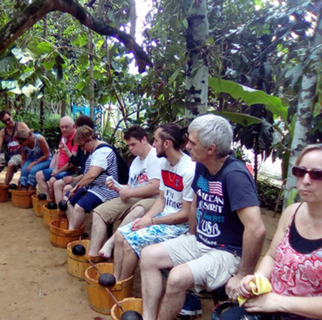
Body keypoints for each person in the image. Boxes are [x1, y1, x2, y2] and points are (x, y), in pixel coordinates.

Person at [140, 114, 266, 320]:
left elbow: (256, 229)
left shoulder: (235, 176)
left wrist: (243, 275)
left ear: (211, 149)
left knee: (177, 277)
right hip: (200, 241)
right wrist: (192, 234)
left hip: (227, 252)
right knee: (148, 256)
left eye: (192, 142)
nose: (187, 145)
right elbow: (197, 200)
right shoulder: (201, 165)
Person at [219, 145, 322, 320]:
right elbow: (272, 256)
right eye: (300, 171)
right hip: (270, 305)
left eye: (317, 174)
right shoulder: (292, 212)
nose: (305, 180)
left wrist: (279, 302)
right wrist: (258, 278)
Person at [112, 123, 195, 281]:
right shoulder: (164, 164)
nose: (154, 144)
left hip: (179, 225)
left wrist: (152, 221)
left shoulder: (189, 170)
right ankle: (116, 279)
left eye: (156, 140)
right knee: (120, 234)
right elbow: (162, 200)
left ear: (167, 143)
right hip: (163, 218)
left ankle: (121, 286)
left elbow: (186, 214)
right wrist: (146, 219)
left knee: (130, 241)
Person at [87, 125, 161, 258]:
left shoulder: (155, 157)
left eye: (133, 144)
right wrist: (117, 187)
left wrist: (129, 192)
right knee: (99, 212)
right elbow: (131, 186)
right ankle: (92, 255)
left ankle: (111, 242)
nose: (131, 148)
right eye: (129, 145)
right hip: (135, 197)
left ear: (144, 140)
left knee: (138, 210)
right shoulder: (136, 161)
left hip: (153, 199)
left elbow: (155, 187)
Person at [66, 125, 119, 230]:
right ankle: (74, 228)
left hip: (106, 189)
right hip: (93, 187)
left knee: (79, 206)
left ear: (90, 140)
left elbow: (92, 175)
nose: (82, 149)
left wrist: (76, 187)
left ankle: (71, 232)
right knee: (67, 199)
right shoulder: (94, 150)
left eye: (82, 145)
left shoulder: (103, 151)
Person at [52, 115, 94, 204]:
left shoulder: (92, 148)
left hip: (86, 178)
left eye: (77, 128)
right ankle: (60, 212)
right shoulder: (81, 144)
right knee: (56, 184)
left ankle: (65, 211)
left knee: (66, 188)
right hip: (80, 174)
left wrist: (74, 179)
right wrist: (66, 150)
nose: (75, 131)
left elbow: (90, 174)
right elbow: (76, 161)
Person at [36, 116, 77, 199]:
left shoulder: (76, 139)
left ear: (73, 126)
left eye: (66, 127)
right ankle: (48, 200)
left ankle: (55, 205)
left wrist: (57, 171)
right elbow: (59, 154)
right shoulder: (63, 136)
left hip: (70, 170)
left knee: (52, 181)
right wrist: (55, 168)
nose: (64, 129)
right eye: (62, 127)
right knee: (38, 175)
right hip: (59, 168)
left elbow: (73, 163)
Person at [0, 110, 30, 186]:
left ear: (11, 117)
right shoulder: (3, 132)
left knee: (11, 164)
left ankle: (5, 186)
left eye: (8, 119)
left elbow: (31, 137)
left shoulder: (21, 125)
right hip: (8, 154)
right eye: (4, 121)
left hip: (20, 154)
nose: (7, 122)